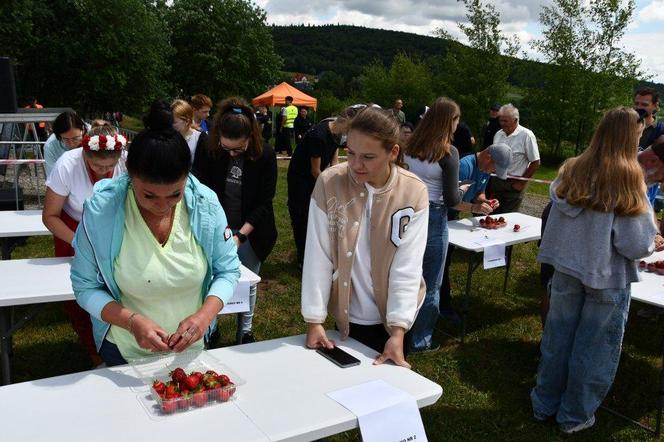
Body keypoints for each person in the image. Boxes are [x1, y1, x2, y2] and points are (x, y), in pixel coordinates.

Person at [71, 101, 241, 365]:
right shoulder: (101, 212)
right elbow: (85, 287)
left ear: (187, 177)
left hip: (191, 348)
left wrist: (204, 316)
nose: (162, 207)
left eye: (175, 194)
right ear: (129, 176)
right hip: (124, 350)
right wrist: (131, 321)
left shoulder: (205, 204)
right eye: (148, 196)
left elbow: (228, 270)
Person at [531, 106, 656, 434]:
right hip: (605, 276)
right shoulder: (628, 178)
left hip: (566, 268)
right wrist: (652, 241)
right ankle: (573, 416)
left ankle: (544, 403)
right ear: (631, 136)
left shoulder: (571, 169)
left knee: (558, 337)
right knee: (594, 347)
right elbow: (635, 245)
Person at [301, 106, 428, 368]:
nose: (356, 165)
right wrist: (314, 320)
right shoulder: (329, 182)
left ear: (393, 152)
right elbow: (318, 254)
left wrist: (397, 330)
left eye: (368, 157)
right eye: (351, 153)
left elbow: (408, 265)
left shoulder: (414, 192)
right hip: (348, 318)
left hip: (395, 320)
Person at [192, 97, 277, 345]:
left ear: (250, 138)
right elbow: (199, 186)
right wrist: (220, 230)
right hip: (217, 227)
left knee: (248, 282)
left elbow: (265, 201)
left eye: (237, 150)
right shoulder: (209, 148)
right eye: (226, 147)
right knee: (211, 278)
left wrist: (241, 236)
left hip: (252, 230)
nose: (231, 154)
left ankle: (245, 331)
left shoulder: (266, 155)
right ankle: (212, 327)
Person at [44, 121, 127, 367]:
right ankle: (94, 352)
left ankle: (120, 342)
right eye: (97, 165)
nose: (103, 171)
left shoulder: (126, 162)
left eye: (110, 166)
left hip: (115, 229)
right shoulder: (67, 164)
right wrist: (80, 242)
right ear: (84, 154)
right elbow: (50, 216)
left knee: (119, 289)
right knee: (78, 295)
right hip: (73, 229)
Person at [404, 97, 463, 353]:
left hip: (406, 211)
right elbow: (451, 199)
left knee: (404, 273)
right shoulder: (448, 153)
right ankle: (421, 339)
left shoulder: (409, 146)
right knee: (431, 281)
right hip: (434, 215)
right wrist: (462, 191)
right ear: (449, 121)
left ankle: (399, 327)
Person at [439, 143, 512, 320]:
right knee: (442, 262)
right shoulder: (465, 166)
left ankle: (442, 301)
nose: (492, 171)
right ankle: (441, 304)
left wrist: (485, 202)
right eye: (495, 167)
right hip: (441, 214)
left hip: (453, 218)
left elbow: (479, 192)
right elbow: (451, 200)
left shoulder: (485, 169)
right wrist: (475, 208)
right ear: (488, 157)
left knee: (446, 258)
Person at [287, 105, 359, 268]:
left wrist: (339, 178)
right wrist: (332, 187)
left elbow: (334, 161)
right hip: (301, 179)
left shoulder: (337, 132)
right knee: (303, 216)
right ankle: (303, 260)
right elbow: (315, 170)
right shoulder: (318, 136)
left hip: (315, 176)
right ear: (345, 122)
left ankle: (319, 254)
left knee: (321, 215)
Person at [491, 103, 540, 213]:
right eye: (500, 120)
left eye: (505, 121)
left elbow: (536, 162)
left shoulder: (527, 135)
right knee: (492, 214)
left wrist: (521, 183)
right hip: (497, 182)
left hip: (514, 183)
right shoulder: (498, 134)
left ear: (515, 120)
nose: (502, 124)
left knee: (508, 217)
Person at [43, 111, 87, 176]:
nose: (71, 144)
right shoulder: (50, 146)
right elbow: (52, 176)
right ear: (58, 135)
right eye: (66, 139)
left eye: (75, 138)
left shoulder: (94, 135)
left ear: (83, 130)